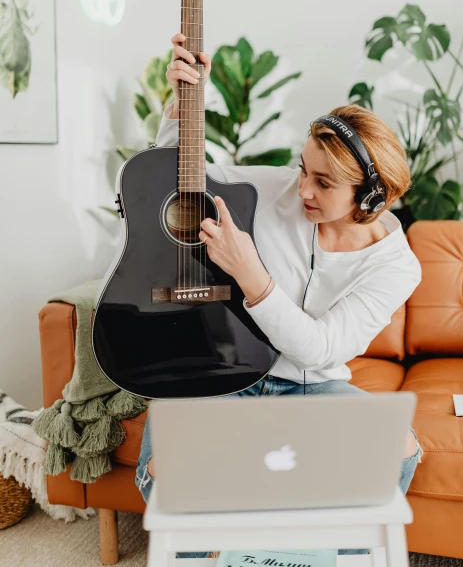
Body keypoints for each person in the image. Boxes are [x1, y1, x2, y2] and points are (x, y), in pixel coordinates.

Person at [135, 33, 424, 557]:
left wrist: (253, 276)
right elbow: (178, 181)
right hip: (227, 377)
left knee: (399, 448)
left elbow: (321, 349)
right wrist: (179, 107)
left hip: (314, 390)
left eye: (324, 182)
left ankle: (320, 550)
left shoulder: (396, 266)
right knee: (161, 469)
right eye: (302, 168)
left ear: (372, 195)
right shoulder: (279, 190)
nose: (304, 190)